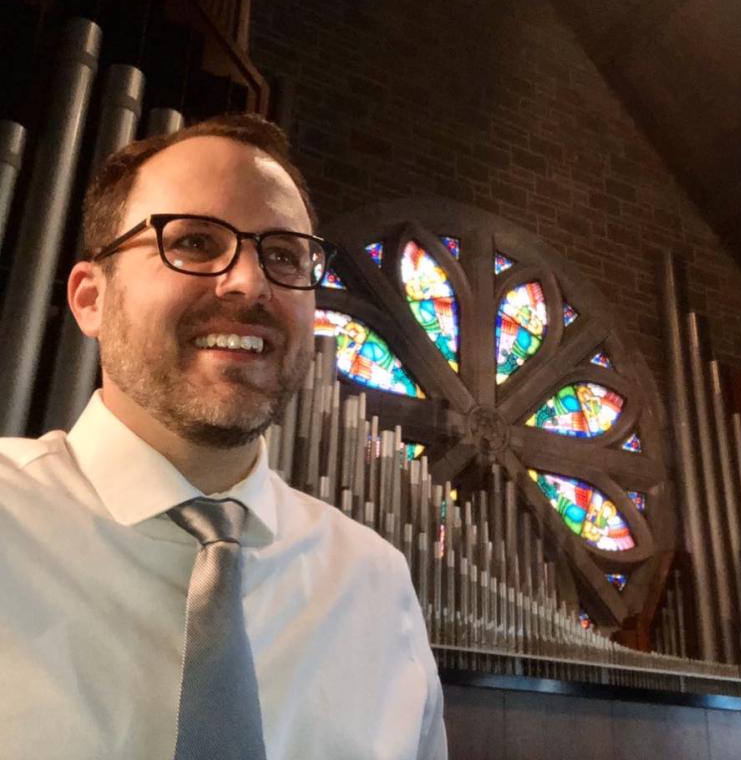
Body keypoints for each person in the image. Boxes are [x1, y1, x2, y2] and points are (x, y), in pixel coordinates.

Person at [0, 113, 447, 759]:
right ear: (90, 298)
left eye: (285, 255)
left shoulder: (374, 582)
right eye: (196, 242)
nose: (249, 281)